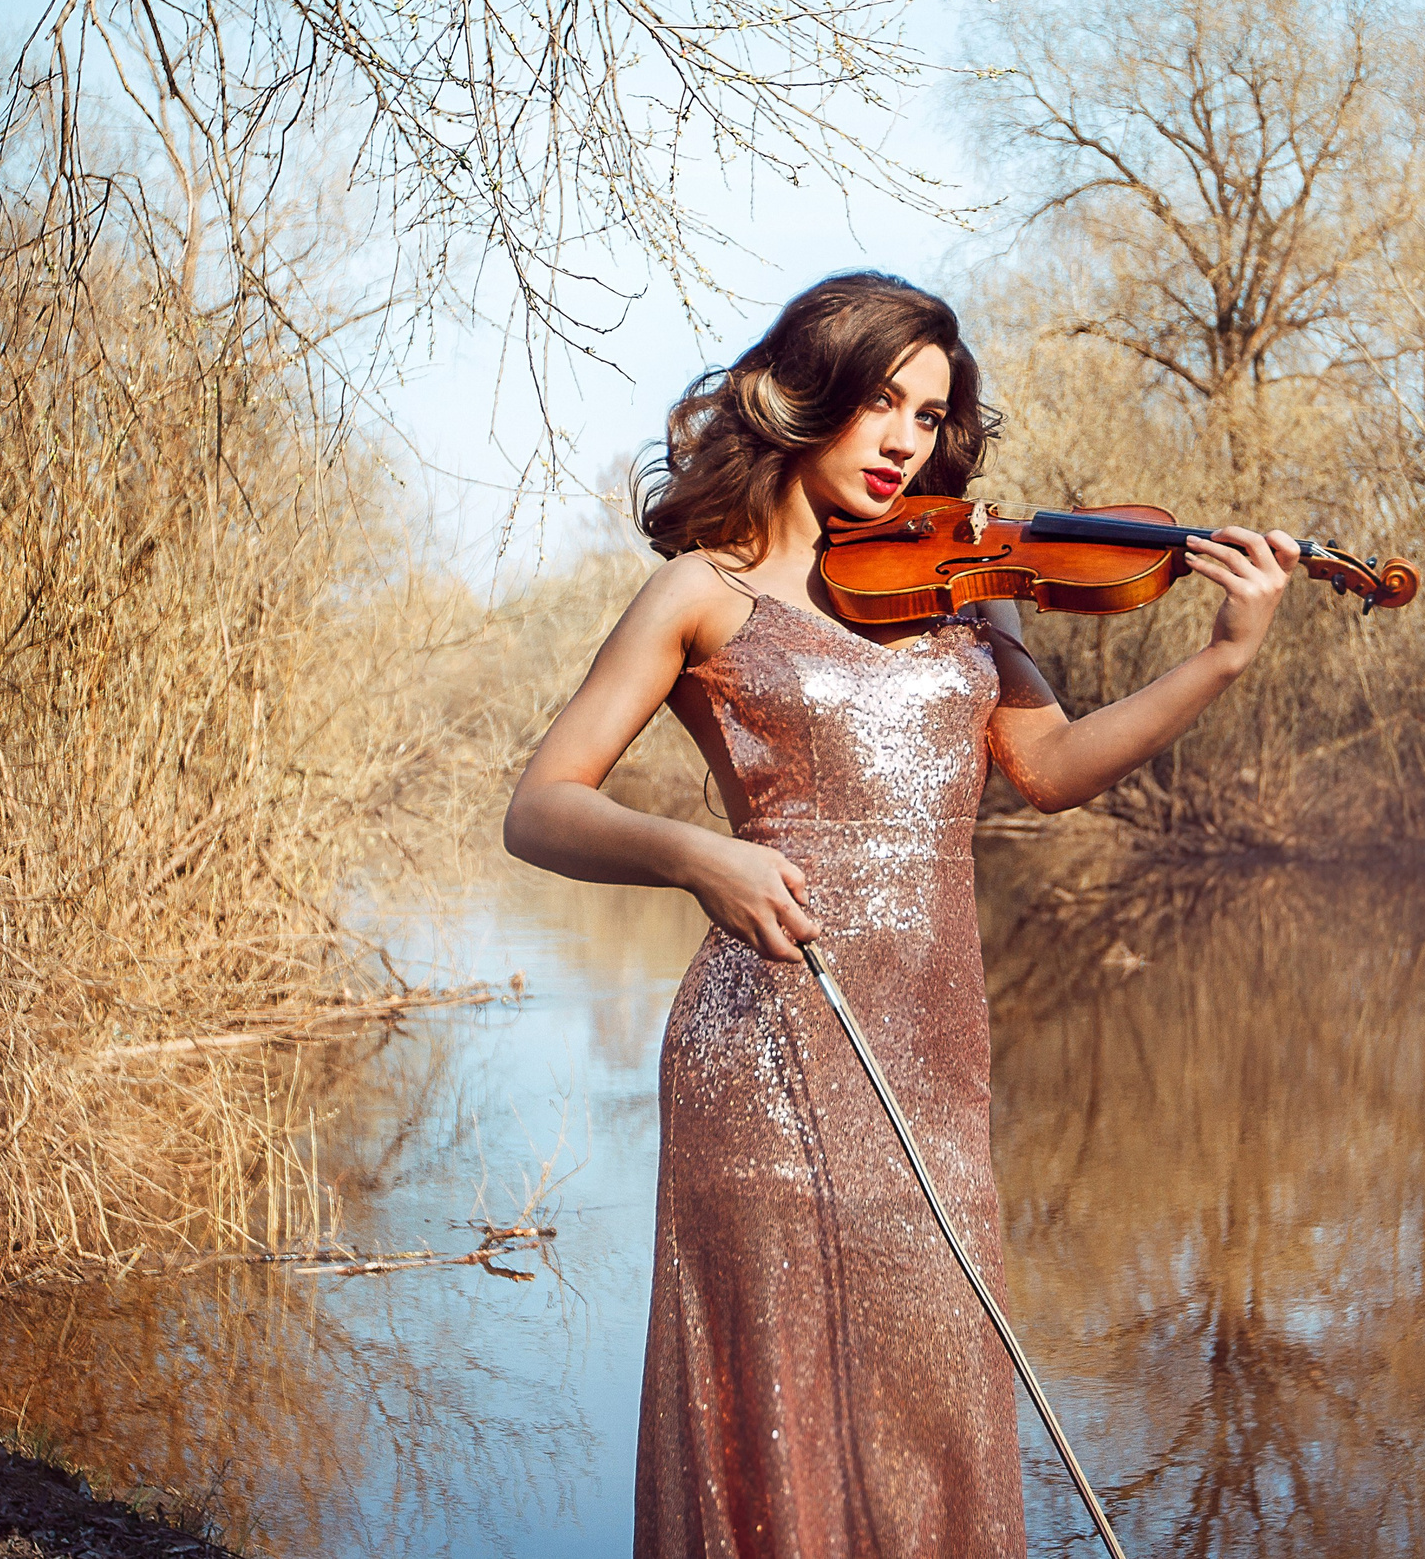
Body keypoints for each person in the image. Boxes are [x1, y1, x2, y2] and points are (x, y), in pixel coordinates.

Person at [502, 272, 1299, 1559]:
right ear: (800, 394)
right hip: (760, 1048)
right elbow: (540, 807)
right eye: (879, 403)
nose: (903, 443)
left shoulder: (960, 588)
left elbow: (1050, 772)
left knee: (930, 1377)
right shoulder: (703, 591)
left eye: (928, 417)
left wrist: (1221, 656)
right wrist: (702, 857)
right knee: (773, 1389)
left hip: (931, 1047)